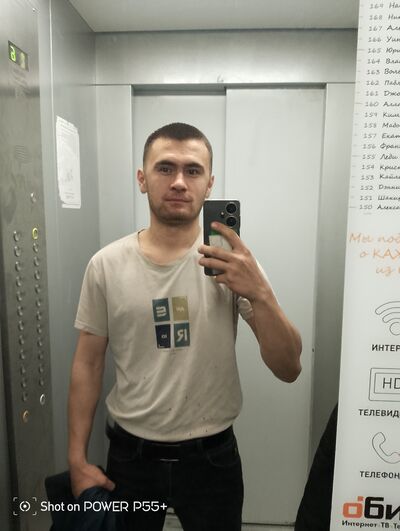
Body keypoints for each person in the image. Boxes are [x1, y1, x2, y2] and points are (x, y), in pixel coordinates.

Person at [68, 122, 302, 530]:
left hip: (211, 459)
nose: (179, 181)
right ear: (142, 179)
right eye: (165, 168)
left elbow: (289, 368)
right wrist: (76, 459)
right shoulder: (106, 265)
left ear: (209, 184)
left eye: (193, 170)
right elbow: (88, 364)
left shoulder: (234, 265)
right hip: (131, 458)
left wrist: (260, 293)